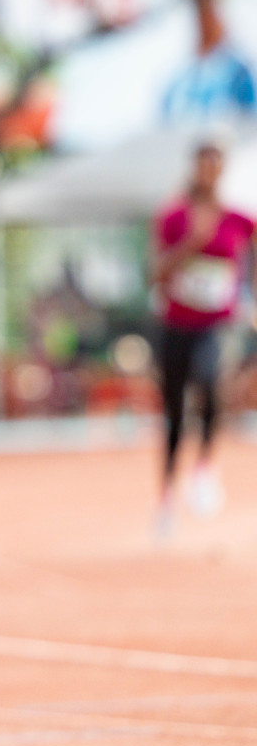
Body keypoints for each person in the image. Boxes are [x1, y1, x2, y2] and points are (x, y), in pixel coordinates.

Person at [151, 139, 257, 530]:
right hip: (176, 324)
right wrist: (189, 246)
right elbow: (155, 271)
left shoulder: (239, 219)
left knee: (211, 382)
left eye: (216, 163)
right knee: (175, 411)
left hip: (216, 323)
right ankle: (165, 492)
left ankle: (205, 467)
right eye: (203, 163)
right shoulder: (173, 215)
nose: (208, 171)